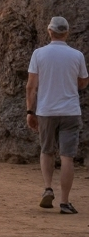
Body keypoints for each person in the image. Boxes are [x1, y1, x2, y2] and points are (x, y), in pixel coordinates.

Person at [26, 16, 89, 215]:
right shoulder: (77, 55)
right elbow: (83, 82)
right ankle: (65, 202)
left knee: (46, 150)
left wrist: (30, 111)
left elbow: (31, 86)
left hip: (46, 110)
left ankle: (47, 188)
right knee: (67, 156)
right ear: (67, 33)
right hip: (70, 111)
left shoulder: (39, 54)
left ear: (49, 31)